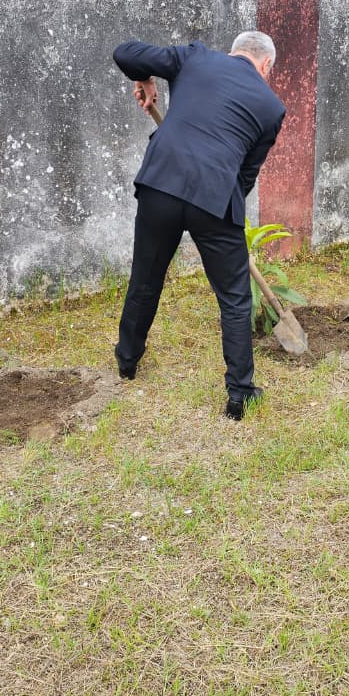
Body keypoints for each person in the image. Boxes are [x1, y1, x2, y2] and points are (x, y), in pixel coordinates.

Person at [112, 31, 286, 421]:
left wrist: (144, 76)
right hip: (215, 197)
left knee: (146, 278)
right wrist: (223, 215)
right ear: (266, 66)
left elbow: (124, 53)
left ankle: (127, 361)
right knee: (235, 299)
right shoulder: (271, 107)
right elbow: (245, 177)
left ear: (233, 53)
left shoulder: (194, 58)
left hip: (161, 184)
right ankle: (240, 393)